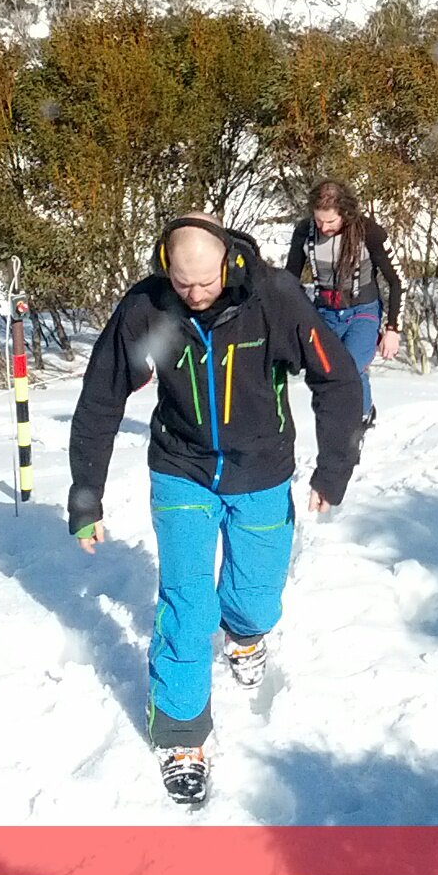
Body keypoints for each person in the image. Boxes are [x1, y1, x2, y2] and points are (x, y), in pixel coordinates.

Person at [68, 212, 366, 807]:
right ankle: (181, 734)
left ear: (228, 261)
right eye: (183, 283)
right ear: (165, 267)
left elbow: (336, 379)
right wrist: (85, 496)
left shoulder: (273, 299)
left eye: (205, 282)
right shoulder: (149, 309)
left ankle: (246, 633)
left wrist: (333, 468)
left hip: (260, 471)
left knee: (256, 594)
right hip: (182, 469)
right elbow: (101, 397)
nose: (196, 294)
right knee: (186, 597)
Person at [285, 180, 404, 428]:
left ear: (345, 213)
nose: (324, 227)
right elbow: (289, 280)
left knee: (349, 367)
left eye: (331, 222)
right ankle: (341, 417)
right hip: (324, 311)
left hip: (363, 310)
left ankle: (359, 418)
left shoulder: (369, 232)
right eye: (319, 221)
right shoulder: (305, 233)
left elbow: (397, 281)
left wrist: (393, 329)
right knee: (325, 371)